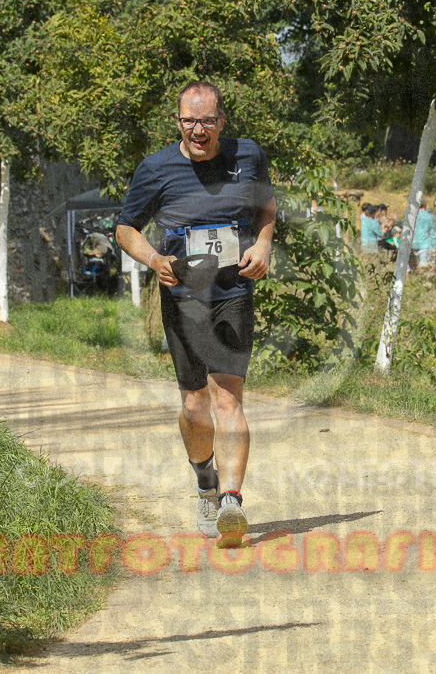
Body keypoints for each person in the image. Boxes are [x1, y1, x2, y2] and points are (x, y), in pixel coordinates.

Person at [115, 81, 275, 547]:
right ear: (178, 121)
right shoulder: (156, 168)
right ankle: (205, 481)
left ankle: (231, 501)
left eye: (206, 121)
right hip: (183, 297)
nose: (198, 129)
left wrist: (263, 244)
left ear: (222, 121)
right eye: (189, 120)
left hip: (232, 291)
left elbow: (266, 208)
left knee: (227, 399)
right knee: (194, 404)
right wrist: (154, 260)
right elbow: (126, 228)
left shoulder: (249, 155)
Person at [410, 198, 434, 272]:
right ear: (425, 205)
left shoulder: (412, 216)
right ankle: (421, 280)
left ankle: (412, 280)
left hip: (413, 243)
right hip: (424, 242)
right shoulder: (429, 216)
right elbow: (431, 230)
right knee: (423, 265)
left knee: (413, 264)